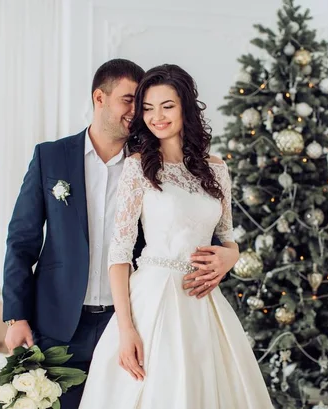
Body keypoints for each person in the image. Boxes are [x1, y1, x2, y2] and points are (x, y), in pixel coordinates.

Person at [2, 59, 238, 408]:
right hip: (60, 321)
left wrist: (232, 254)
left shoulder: (148, 162)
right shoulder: (50, 157)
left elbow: (196, 231)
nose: (139, 111)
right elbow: (22, 242)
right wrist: (16, 316)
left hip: (133, 317)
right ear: (100, 98)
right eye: (132, 100)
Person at [78, 64, 274, 409]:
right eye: (148, 108)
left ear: (185, 106)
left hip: (203, 302)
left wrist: (231, 255)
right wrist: (126, 330)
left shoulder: (216, 168)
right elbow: (119, 255)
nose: (157, 117)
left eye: (167, 106)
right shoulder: (137, 168)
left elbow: (226, 236)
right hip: (153, 299)